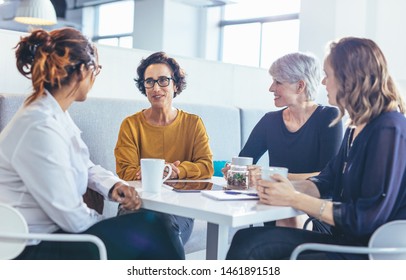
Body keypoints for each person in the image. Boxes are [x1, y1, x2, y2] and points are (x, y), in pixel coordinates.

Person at [0, 28, 184, 260]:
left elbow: (83, 165)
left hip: (59, 233)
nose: (95, 76)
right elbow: (71, 216)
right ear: (82, 71)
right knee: (155, 226)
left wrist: (113, 185)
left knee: (158, 224)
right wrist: (111, 223)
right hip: (35, 247)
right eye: (95, 69)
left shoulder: (53, 113)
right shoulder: (39, 125)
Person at [226, 37, 406, 260]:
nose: (322, 82)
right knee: (245, 240)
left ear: (349, 79)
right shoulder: (356, 128)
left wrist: (293, 198)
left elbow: (364, 219)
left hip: (366, 251)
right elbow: (326, 182)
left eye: (327, 75)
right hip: (345, 239)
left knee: (257, 251)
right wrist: (279, 184)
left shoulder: (389, 128)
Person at [223, 52, 343, 228]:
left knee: (287, 223)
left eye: (278, 82)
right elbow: (244, 162)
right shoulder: (269, 120)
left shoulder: (329, 117)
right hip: (276, 209)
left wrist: (270, 176)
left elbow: (327, 177)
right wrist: (236, 172)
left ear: (300, 86)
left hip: (314, 213)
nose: (271, 88)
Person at [114, 51, 214, 245]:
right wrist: (156, 171)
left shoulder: (193, 123)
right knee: (134, 230)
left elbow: (206, 166)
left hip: (179, 209)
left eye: (163, 80)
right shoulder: (131, 125)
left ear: (175, 85)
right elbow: (125, 171)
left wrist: (176, 171)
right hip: (138, 204)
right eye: (149, 81)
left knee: (162, 227)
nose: (156, 88)